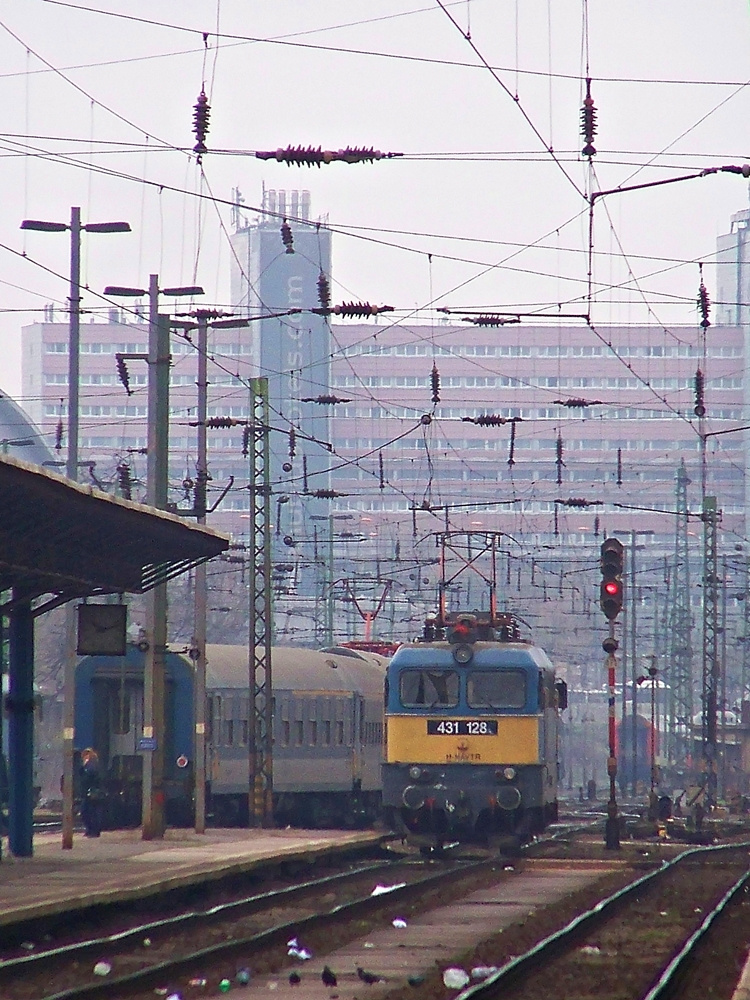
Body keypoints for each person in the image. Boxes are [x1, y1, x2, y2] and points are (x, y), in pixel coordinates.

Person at [80, 748, 102, 837]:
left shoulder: (92, 765)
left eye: (87, 754)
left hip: (92, 792)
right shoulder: (88, 765)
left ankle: (93, 831)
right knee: (88, 812)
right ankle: (90, 830)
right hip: (88, 792)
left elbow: (88, 776)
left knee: (89, 812)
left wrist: (84, 767)